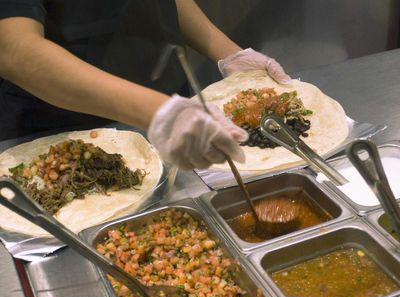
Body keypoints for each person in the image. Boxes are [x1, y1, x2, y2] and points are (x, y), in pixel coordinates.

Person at [0, 0, 291, 170]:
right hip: (61, 138)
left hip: (174, 117)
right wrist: (157, 112)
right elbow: (14, 49)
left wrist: (228, 53)